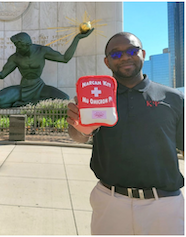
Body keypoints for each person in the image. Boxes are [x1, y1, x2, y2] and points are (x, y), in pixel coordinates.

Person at [67, 32, 184, 235]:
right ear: (107, 61)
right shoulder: (95, 96)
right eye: (116, 54)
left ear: (143, 54)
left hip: (164, 205)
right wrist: (79, 129)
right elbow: (79, 136)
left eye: (132, 50)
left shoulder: (172, 98)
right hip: (110, 201)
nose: (125, 57)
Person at [0, 30, 94, 108]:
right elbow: (2, 74)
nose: (16, 49)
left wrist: (77, 38)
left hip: (40, 88)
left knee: (65, 98)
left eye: (18, 46)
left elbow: (65, 58)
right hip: (23, 88)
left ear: (27, 45)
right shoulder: (15, 57)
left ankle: (27, 103)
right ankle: (30, 103)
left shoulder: (42, 51)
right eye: (15, 46)